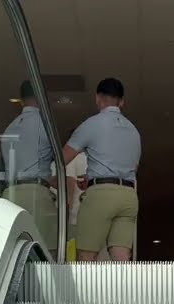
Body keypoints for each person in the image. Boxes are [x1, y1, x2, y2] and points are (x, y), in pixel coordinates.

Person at [63, 77, 140, 262]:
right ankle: (125, 291)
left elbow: (63, 157)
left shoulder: (92, 124)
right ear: (122, 101)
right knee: (121, 258)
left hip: (101, 195)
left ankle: (84, 292)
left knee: (86, 256)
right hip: (128, 196)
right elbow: (133, 168)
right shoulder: (133, 130)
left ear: (97, 98)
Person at [2, 80, 59, 254]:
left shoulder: (9, 128)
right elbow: (60, 157)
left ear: (21, 99)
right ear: (41, 96)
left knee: (14, 253)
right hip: (36, 193)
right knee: (46, 252)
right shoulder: (45, 124)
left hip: (10, 195)